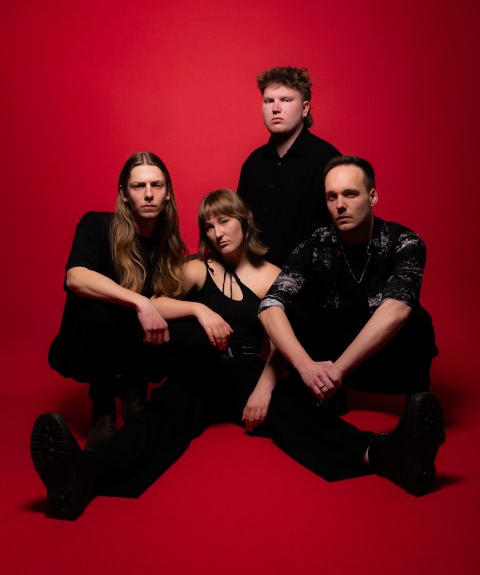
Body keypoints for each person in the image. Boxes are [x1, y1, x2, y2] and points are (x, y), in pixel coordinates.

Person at [30, 190, 445, 521]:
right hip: (199, 368)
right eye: (208, 226)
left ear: (243, 221)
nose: (217, 233)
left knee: (293, 415)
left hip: (246, 370)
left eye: (224, 221)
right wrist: (199, 310)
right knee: (160, 420)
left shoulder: (275, 275)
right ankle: (79, 479)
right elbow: (156, 303)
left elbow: (284, 338)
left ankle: (390, 456)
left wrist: (264, 388)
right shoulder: (198, 268)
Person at [258, 154, 438, 404]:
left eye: (350, 194)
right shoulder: (316, 245)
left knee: (417, 318)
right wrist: (306, 367)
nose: (340, 205)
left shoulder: (404, 242)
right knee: (296, 307)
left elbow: (397, 309)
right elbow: (270, 306)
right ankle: (323, 397)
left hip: (388, 362)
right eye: (332, 197)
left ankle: (419, 401)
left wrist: (337, 372)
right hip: (331, 356)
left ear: (372, 196)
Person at [47, 151, 186, 451]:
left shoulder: (169, 245)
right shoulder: (96, 225)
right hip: (86, 345)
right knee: (100, 310)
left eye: (156, 185)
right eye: (138, 186)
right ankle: (103, 407)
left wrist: (198, 310)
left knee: (183, 321)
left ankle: (135, 388)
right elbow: (75, 277)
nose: (148, 194)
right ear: (124, 194)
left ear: (168, 193)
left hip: (137, 346)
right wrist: (140, 302)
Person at [237, 66, 340, 267]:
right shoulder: (253, 163)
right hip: (254, 276)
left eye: (286, 100)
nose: (275, 108)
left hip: (311, 278)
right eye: (269, 101)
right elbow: (240, 227)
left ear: (305, 108)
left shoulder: (328, 160)